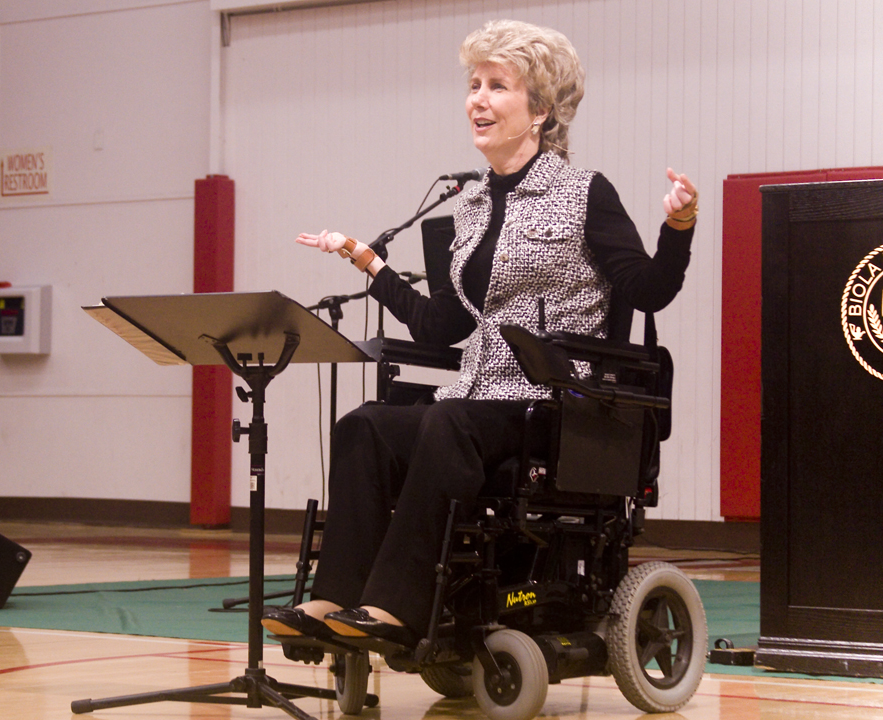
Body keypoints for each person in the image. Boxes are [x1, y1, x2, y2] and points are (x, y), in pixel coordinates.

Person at [262, 19, 698, 648]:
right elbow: (447, 324)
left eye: (498, 86)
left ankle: (397, 610)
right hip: (476, 399)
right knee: (366, 425)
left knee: (449, 423)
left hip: (556, 405)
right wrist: (367, 261)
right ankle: (335, 598)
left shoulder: (583, 193)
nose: (479, 99)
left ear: (541, 110)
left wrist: (679, 225)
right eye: (474, 84)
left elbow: (649, 289)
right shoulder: (468, 208)